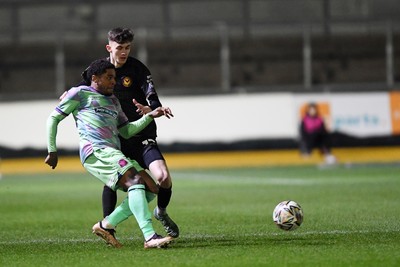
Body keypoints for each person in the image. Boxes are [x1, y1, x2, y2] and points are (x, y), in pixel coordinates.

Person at [45, 59, 174, 249]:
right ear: (95, 78)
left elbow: (126, 131)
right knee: (135, 183)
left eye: (114, 77)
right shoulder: (79, 94)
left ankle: (105, 225)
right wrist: (52, 150)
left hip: (112, 151)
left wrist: (149, 116)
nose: (114, 81)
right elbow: (53, 118)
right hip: (96, 151)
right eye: (109, 77)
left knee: (151, 189)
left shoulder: (113, 100)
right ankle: (149, 236)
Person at [80, 27, 179, 239]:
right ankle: (109, 228)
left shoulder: (138, 69)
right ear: (109, 48)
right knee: (112, 182)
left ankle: (160, 212)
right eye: (119, 48)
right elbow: (83, 91)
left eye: (127, 47)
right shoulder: (99, 70)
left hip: (142, 135)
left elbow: (151, 94)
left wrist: (152, 109)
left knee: (162, 178)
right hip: (117, 139)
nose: (124, 52)